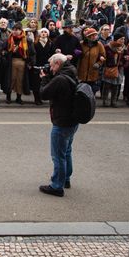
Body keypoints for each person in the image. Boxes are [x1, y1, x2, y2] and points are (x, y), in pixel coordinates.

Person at [38, 53, 80, 197]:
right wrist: (50, 77)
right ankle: (65, 179)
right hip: (72, 121)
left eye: (51, 65)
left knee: (58, 155)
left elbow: (44, 94)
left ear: (57, 63)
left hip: (62, 121)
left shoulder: (60, 79)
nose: (50, 68)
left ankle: (57, 186)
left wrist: (44, 79)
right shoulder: (71, 71)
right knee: (67, 151)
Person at [102, 32, 129, 107]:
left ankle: (113, 101)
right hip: (109, 68)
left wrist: (125, 62)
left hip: (119, 69)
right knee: (107, 85)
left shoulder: (124, 47)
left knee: (116, 86)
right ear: (116, 39)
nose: (123, 41)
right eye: (121, 39)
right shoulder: (107, 46)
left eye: (123, 39)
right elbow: (104, 55)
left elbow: (127, 56)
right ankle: (105, 101)